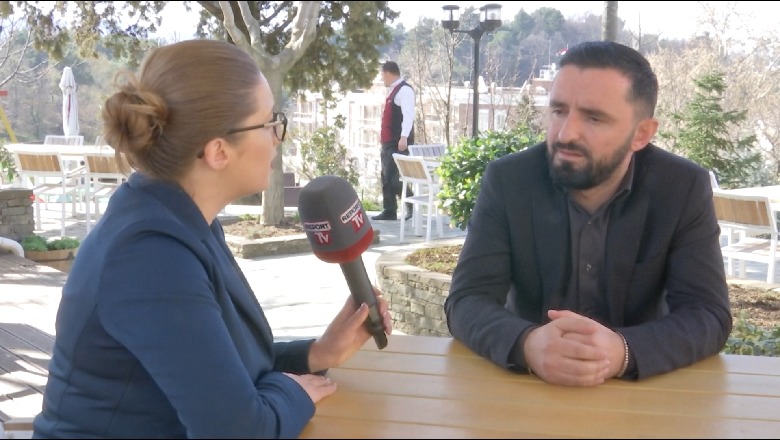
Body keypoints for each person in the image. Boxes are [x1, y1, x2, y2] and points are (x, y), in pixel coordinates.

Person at [32, 39, 392, 439]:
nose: (278, 136)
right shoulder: (150, 255)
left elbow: (216, 371)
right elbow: (239, 431)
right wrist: (292, 392)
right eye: (269, 122)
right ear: (219, 151)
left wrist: (317, 353)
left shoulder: (178, 220)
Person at [444, 41, 732, 387]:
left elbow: (708, 313)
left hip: (641, 395)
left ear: (641, 134)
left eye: (594, 118)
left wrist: (621, 351)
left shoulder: (681, 188)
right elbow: (466, 300)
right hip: (527, 387)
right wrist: (528, 344)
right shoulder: (510, 180)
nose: (566, 133)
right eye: (558, 111)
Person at [372, 60, 416, 221]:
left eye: (382, 75)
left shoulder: (405, 90)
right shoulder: (393, 91)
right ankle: (389, 210)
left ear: (388, 73)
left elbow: (408, 116)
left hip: (398, 141)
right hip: (388, 141)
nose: (382, 78)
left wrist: (404, 137)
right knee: (385, 175)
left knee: (393, 177)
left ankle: (412, 202)